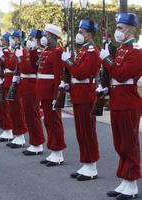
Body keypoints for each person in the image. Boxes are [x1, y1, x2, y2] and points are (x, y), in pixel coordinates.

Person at [99, 12, 142, 200]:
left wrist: (107, 59)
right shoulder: (120, 50)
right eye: (117, 28)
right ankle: (125, 180)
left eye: (120, 28)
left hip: (128, 102)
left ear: (130, 30)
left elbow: (122, 74)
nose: (117, 31)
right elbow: (114, 77)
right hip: (117, 101)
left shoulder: (137, 53)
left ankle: (132, 184)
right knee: (120, 144)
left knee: (129, 144)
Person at [61, 19, 101, 181]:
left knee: (87, 132)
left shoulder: (91, 52)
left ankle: (92, 166)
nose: (78, 34)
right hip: (79, 94)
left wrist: (67, 61)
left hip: (86, 96)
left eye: (81, 32)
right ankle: (86, 163)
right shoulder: (83, 51)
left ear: (89, 35)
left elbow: (80, 73)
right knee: (81, 132)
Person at [35, 24, 66, 166]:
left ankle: (58, 152)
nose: (44, 37)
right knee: (48, 121)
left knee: (54, 121)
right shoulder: (47, 50)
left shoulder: (57, 51)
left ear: (53, 36)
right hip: (44, 91)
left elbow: (58, 76)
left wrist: (56, 97)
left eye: (47, 35)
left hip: (50, 91)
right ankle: (53, 150)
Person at [15, 28, 45, 156]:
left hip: (32, 86)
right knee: (28, 115)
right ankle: (34, 142)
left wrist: (21, 58)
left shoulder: (39, 52)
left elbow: (30, 68)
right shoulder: (30, 52)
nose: (30, 40)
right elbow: (23, 68)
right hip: (26, 85)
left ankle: (37, 143)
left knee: (33, 115)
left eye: (32, 38)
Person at [0, 32, 28, 149]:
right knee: (13, 111)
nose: (12, 40)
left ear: (19, 39)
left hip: (17, 83)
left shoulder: (22, 50)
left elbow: (12, 65)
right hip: (11, 81)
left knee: (17, 111)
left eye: (14, 38)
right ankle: (17, 134)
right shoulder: (15, 50)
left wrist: (2, 57)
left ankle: (21, 136)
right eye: (12, 38)